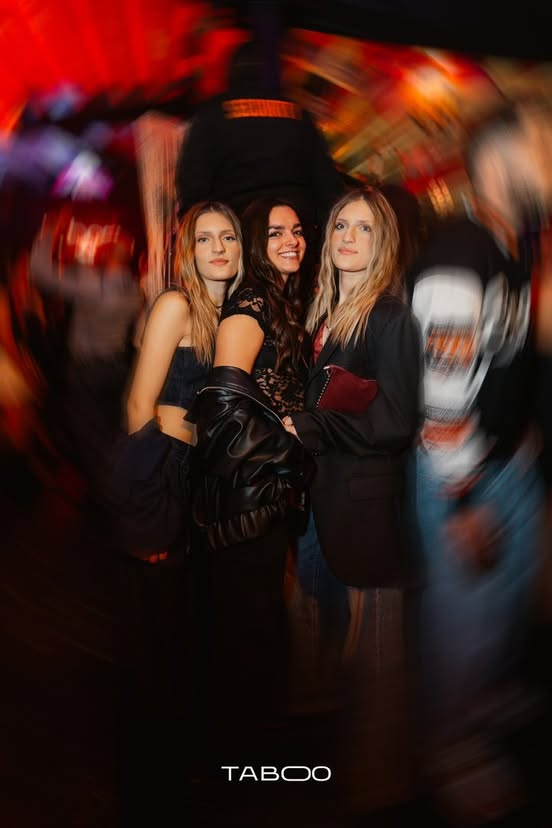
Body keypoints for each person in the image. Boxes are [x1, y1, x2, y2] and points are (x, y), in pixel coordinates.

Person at [407, 101, 552, 827]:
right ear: (498, 156)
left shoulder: (507, 245)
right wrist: (463, 501)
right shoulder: (460, 256)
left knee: (503, 608)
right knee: (464, 626)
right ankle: (449, 749)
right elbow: (440, 398)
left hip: (504, 466)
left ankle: (479, 706)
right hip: (463, 478)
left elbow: (504, 362)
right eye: (544, 142)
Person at [282, 187, 422, 809]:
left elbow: (395, 423)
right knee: (322, 632)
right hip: (322, 501)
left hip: (365, 505)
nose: (348, 237)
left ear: (383, 243)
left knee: (377, 656)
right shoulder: (327, 312)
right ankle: (325, 755)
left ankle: (379, 780)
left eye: (364, 229)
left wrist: (311, 425)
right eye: (342, 224)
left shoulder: (389, 316)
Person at [113, 200, 244, 827]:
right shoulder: (176, 306)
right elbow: (138, 405)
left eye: (228, 237)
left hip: (200, 488)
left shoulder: (233, 317)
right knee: (157, 642)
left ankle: (181, 774)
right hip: (162, 473)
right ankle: (149, 792)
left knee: (187, 637)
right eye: (204, 239)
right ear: (187, 251)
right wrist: (150, 506)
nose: (218, 248)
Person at [187, 195, 315, 769]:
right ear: (257, 245)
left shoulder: (280, 299)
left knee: (256, 622)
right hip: (244, 495)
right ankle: (234, 758)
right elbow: (220, 410)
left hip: (263, 490)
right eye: (276, 232)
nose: (291, 240)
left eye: (297, 230)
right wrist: (291, 454)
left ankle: (244, 743)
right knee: (246, 627)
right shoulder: (251, 303)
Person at [175, 39, 344, 274]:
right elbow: (328, 185)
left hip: (237, 237)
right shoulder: (298, 113)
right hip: (294, 237)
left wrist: (199, 237)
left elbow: (192, 185)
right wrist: (321, 243)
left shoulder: (212, 114)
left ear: (231, 72)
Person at [29, 209, 143, 511]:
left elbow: (40, 273)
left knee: (90, 437)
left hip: (87, 371)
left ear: (106, 255)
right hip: (118, 368)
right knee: (113, 431)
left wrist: (49, 231)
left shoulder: (92, 284)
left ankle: (113, 501)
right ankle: (125, 487)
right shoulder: (134, 290)